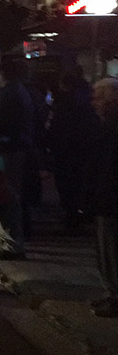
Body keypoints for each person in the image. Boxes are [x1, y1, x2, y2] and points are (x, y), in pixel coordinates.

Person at [0, 57, 34, 260]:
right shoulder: (18, 92)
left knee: (6, 197)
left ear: (2, 73)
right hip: (14, 148)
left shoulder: (9, 94)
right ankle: (7, 239)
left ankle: (11, 244)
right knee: (10, 196)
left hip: (8, 150)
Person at [48, 71, 98, 234]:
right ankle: (78, 214)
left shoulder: (65, 102)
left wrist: (51, 143)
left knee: (67, 184)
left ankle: (71, 217)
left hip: (66, 150)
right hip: (80, 149)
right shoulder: (86, 100)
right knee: (78, 183)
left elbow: (58, 127)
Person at [89, 78, 118, 317]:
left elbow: (108, 165)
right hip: (106, 195)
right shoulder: (107, 123)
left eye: (98, 98)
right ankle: (112, 293)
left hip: (111, 196)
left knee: (111, 249)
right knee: (106, 249)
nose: (94, 103)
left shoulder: (112, 126)